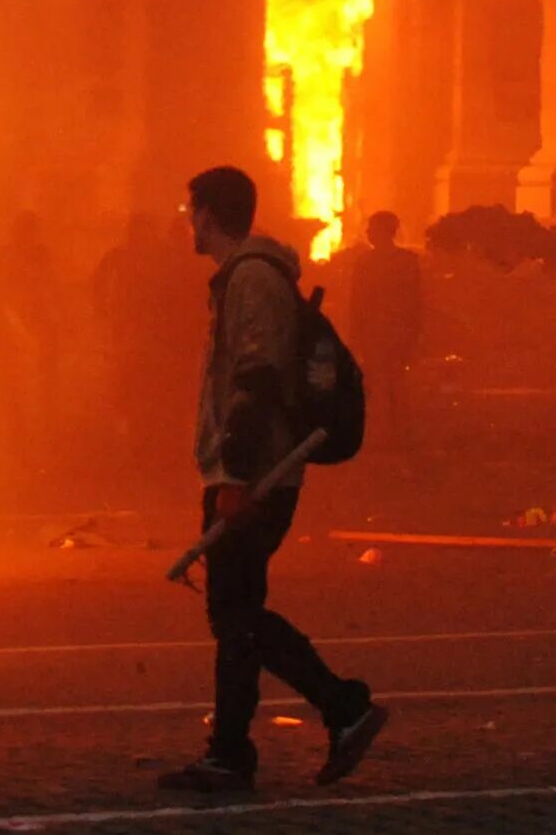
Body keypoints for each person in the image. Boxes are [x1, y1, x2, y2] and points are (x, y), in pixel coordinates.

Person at [160, 166, 387, 793]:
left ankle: (343, 706)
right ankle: (231, 753)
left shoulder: (254, 279)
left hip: (257, 475)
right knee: (235, 613)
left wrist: (234, 475)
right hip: (249, 471)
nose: (187, 223)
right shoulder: (245, 278)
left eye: (191, 210)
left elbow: (256, 381)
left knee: (236, 612)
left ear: (210, 214)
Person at [348, 212, 423, 446]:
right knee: (391, 384)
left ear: (383, 231)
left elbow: (357, 303)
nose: (368, 232)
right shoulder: (406, 261)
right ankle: (390, 434)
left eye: (372, 228)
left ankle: (389, 435)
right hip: (389, 334)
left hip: (382, 334)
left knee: (385, 385)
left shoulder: (368, 263)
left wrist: (356, 335)